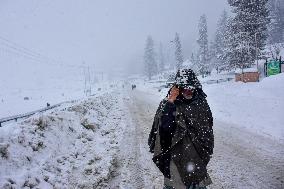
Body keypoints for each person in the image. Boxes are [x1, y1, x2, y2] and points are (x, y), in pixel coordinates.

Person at [148, 69, 214, 189]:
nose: (189, 91)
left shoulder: (201, 104)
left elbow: (208, 132)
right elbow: (164, 131)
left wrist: (204, 153)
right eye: (185, 88)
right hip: (174, 161)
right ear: (178, 88)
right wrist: (171, 103)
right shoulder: (168, 104)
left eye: (191, 88)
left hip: (196, 161)